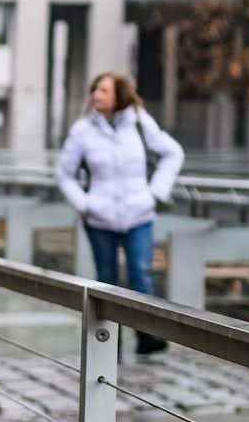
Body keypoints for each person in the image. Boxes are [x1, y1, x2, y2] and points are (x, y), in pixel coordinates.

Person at [56, 71, 183, 355]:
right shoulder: (82, 130)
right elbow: (65, 174)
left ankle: (147, 337)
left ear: (118, 95)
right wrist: (84, 204)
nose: (95, 96)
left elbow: (173, 153)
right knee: (106, 277)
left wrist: (156, 192)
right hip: (99, 217)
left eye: (103, 90)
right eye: (94, 90)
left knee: (140, 273)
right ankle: (108, 341)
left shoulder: (140, 122)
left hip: (139, 213)